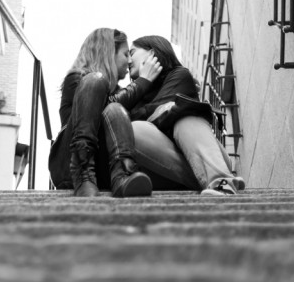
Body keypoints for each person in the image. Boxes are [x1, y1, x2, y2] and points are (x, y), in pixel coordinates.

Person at [48, 28, 163, 197]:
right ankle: (82, 170)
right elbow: (102, 104)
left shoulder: (117, 92)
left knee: (115, 110)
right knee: (96, 81)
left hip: (103, 172)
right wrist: (142, 82)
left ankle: (122, 175)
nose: (130, 60)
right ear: (108, 53)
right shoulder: (77, 80)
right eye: (125, 54)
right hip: (68, 167)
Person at [127, 35, 245, 195]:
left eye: (132, 52)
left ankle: (221, 183)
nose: (128, 60)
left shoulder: (178, 75)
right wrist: (144, 82)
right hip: (165, 170)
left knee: (185, 120)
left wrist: (159, 112)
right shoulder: (133, 95)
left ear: (152, 52)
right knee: (133, 130)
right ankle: (220, 185)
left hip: (209, 156)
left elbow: (168, 113)